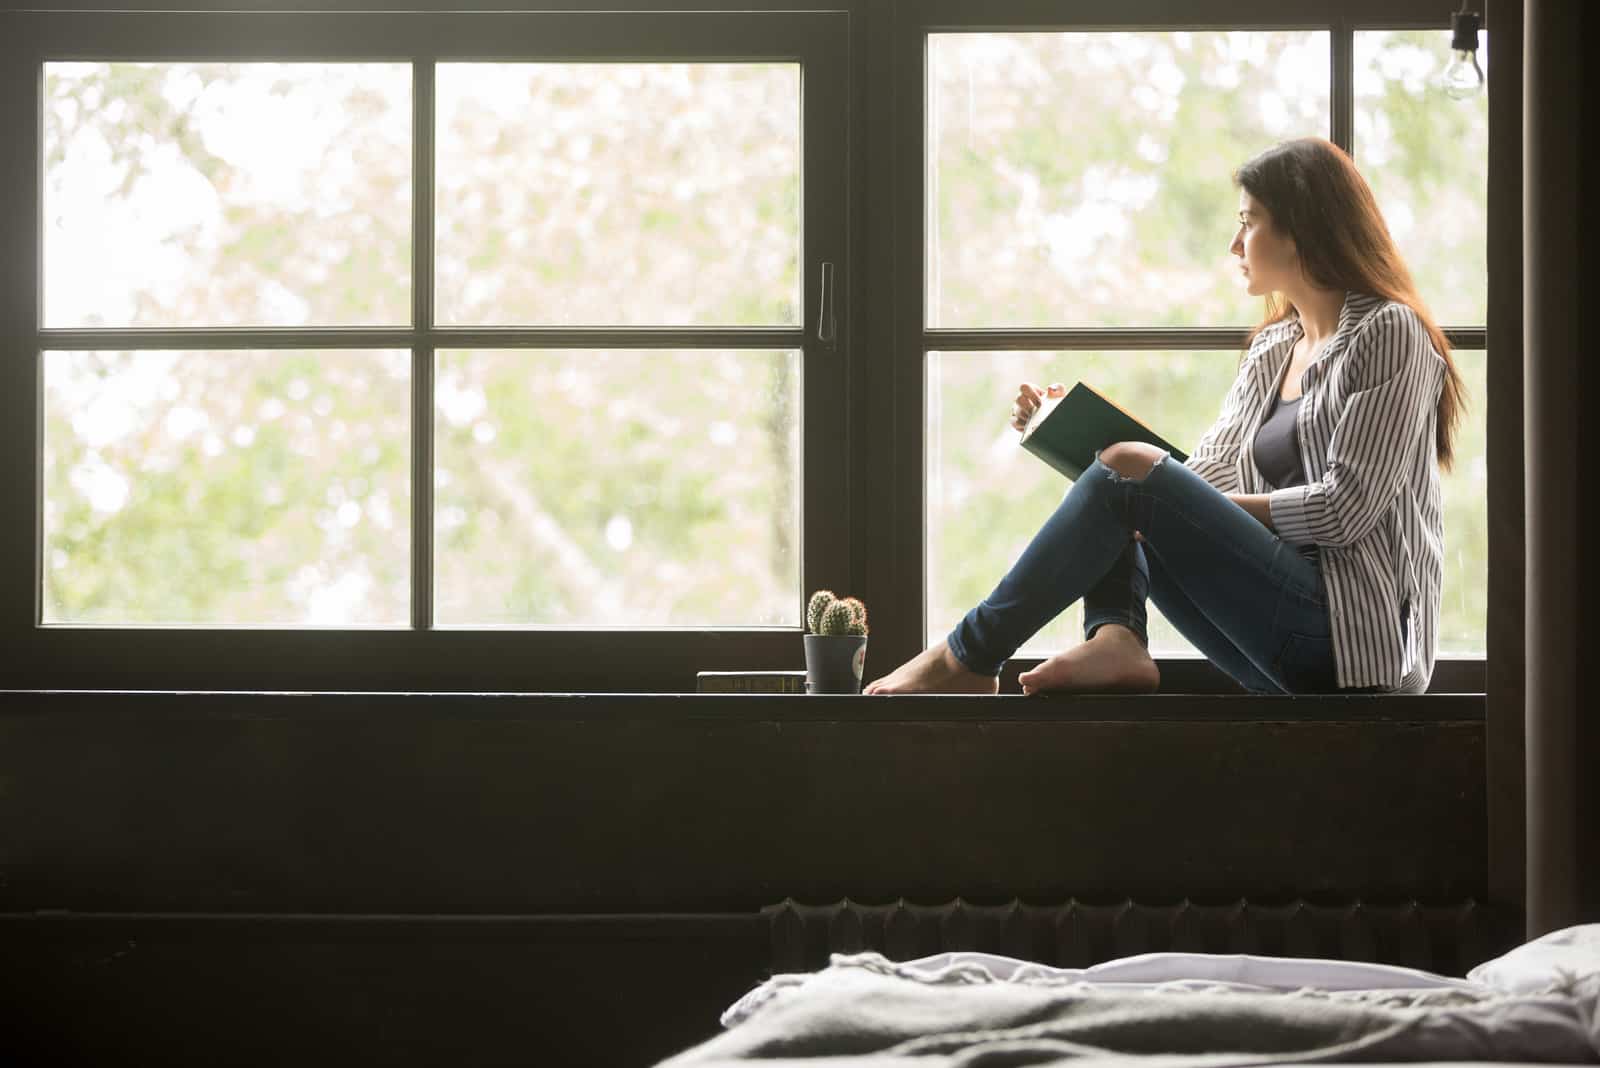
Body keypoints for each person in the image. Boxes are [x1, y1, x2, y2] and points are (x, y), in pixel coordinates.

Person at [865, 136, 1468, 697]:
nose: (1235, 244)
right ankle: (1116, 635)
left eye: (1248, 221)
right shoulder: (1274, 347)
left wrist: (1158, 491)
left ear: (1302, 230)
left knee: (1134, 475)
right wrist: (1071, 437)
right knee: (1124, 470)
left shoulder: (1389, 331)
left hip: (1353, 647)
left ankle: (964, 658)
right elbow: (1204, 478)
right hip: (1273, 632)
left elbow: (1345, 509)